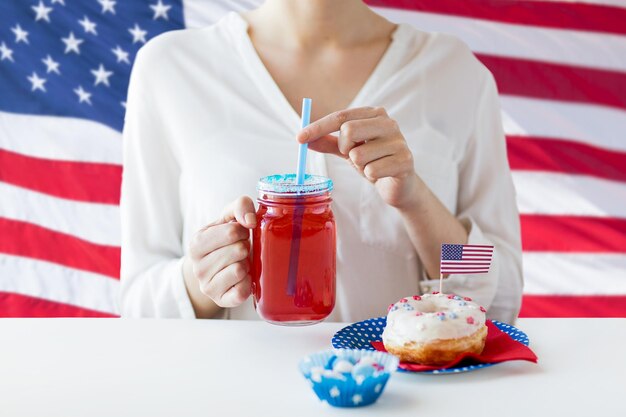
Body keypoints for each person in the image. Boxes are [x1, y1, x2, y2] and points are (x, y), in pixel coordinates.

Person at [120, 0, 523, 323]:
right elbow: (138, 301)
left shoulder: (455, 73)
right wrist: (202, 277)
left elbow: (500, 288)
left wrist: (417, 201)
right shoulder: (171, 68)